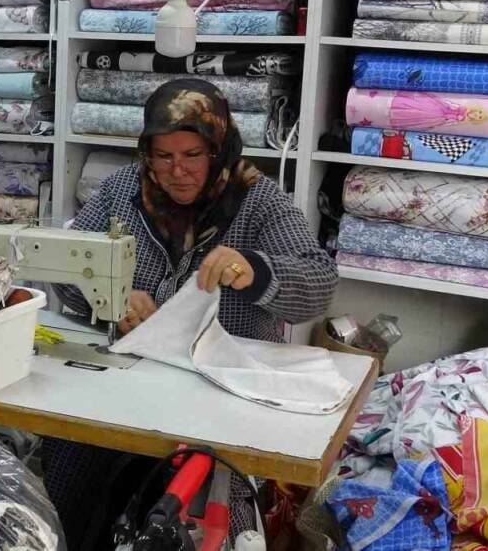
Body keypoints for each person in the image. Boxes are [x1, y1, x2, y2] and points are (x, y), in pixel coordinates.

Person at [46, 78, 336, 546]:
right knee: (71, 462)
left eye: (192, 155)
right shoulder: (123, 189)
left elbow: (319, 284)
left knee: (209, 504)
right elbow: (66, 263)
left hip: (218, 390)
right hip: (126, 385)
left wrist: (255, 270)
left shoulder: (257, 200)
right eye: (162, 155)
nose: (176, 171)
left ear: (218, 148)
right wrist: (110, 297)